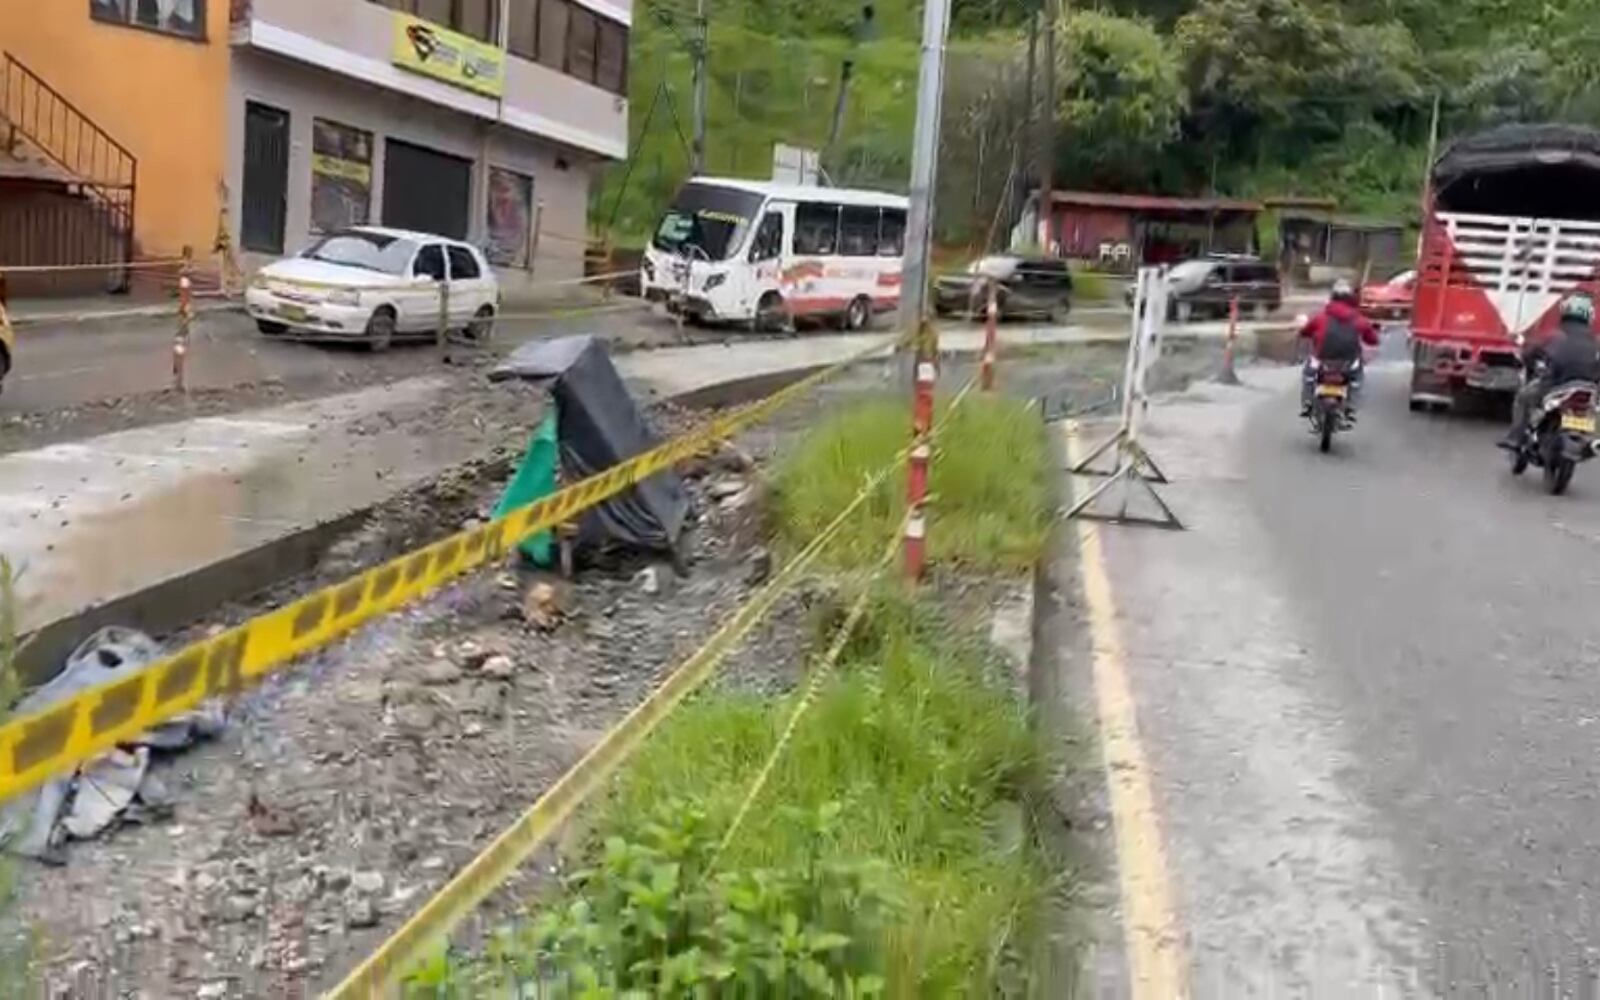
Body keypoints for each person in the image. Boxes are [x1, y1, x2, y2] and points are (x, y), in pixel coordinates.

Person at [1500, 293, 1600, 449]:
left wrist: (1528, 360)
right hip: (1589, 388)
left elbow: (1530, 353)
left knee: (1523, 398)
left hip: (1557, 385)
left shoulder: (1555, 335)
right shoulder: (1595, 340)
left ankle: (1516, 438)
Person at [1299, 279, 1380, 417]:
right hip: (1348, 362)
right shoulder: (1359, 319)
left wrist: (1305, 332)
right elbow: (1373, 340)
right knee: (1357, 380)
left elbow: (1304, 332)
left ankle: (1307, 402)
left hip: (1321, 360)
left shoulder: (1321, 317)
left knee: (1308, 376)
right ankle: (1352, 407)